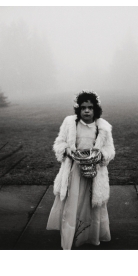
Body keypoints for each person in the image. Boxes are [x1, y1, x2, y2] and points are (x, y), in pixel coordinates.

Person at [46, 90, 115, 250]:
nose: (86, 111)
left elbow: (110, 149)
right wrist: (67, 151)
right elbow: (59, 142)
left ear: (95, 109)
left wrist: (99, 156)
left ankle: (90, 237)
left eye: (90, 108)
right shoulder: (70, 123)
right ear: (78, 109)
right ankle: (72, 238)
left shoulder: (103, 127)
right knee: (73, 202)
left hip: (94, 173)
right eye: (83, 107)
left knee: (92, 204)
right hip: (74, 172)